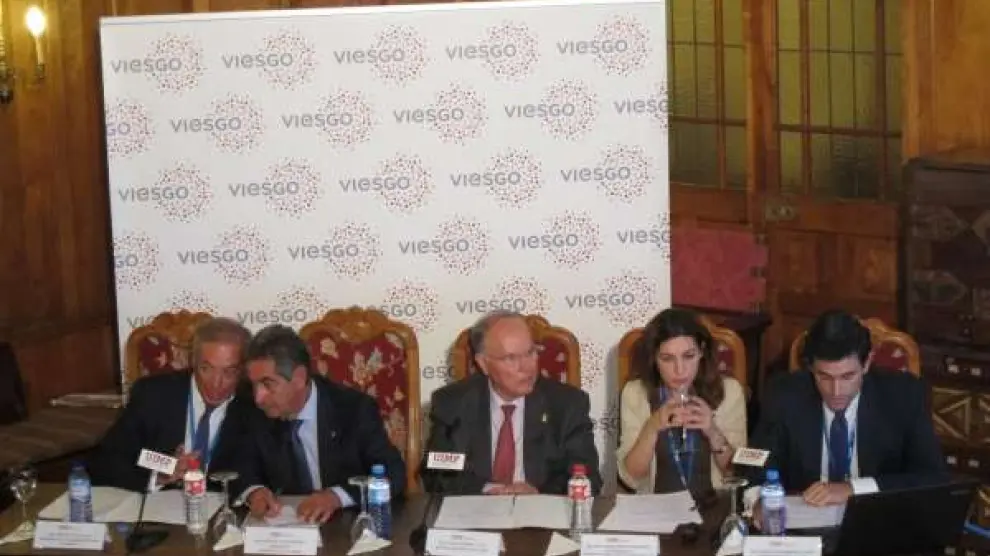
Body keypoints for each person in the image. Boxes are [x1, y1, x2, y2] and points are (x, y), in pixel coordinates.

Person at [747, 309, 948, 511]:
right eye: (824, 377)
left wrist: (853, 489)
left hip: (879, 516)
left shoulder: (904, 395)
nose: (836, 391)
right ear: (810, 368)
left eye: (847, 376)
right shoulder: (783, 394)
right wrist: (759, 502)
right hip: (806, 518)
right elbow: (757, 465)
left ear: (866, 363)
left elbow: (932, 478)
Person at [234, 324, 405, 525]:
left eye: (267, 384)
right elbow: (238, 465)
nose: (258, 397)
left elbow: (393, 473)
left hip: (343, 525)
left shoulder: (354, 409)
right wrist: (253, 491)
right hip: (280, 527)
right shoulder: (250, 409)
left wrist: (336, 497)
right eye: (254, 384)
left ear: (299, 378)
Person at [424, 311, 602, 495]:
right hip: (476, 508)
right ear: (483, 363)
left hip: (542, 509)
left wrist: (537, 493)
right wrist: (489, 490)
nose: (527, 367)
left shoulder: (567, 404)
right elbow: (436, 475)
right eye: (511, 358)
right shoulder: (452, 403)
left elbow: (588, 477)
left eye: (530, 353)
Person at [89, 317, 254, 492]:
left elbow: (261, 475)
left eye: (229, 372)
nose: (216, 383)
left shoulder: (254, 404)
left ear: (243, 370)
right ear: (193, 361)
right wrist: (160, 475)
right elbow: (105, 463)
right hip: (159, 503)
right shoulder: (152, 395)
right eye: (206, 369)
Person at [616, 308, 747, 497]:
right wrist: (652, 427)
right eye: (667, 359)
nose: (680, 370)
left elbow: (737, 473)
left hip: (713, 505)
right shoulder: (635, 393)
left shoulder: (729, 392)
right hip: (656, 508)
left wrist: (713, 432)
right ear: (654, 358)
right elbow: (630, 478)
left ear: (702, 351)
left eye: (688, 356)